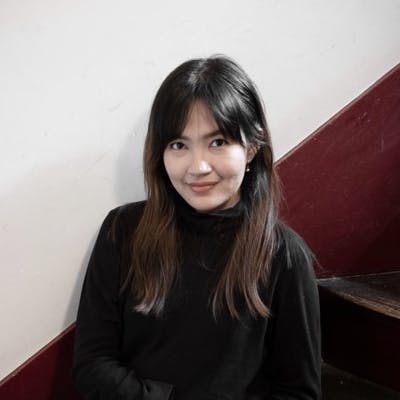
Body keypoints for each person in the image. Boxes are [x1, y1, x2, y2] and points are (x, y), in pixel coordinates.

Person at [73, 55, 321, 400]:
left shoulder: (284, 255)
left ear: (250, 148)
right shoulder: (123, 231)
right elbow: (92, 364)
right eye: (179, 145)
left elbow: (298, 392)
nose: (198, 166)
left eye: (218, 142)